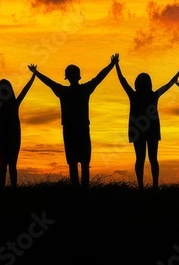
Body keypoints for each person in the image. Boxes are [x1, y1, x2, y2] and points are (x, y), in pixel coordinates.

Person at [29, 55, 118, 188]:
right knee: (84, 163)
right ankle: (83, 190)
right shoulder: (84, 89)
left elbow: (49, 82)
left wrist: (36, 73)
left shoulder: (63, 91)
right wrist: (112, 65)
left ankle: (76, 189)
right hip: (81, 129)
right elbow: (99, 78)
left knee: (72, 163)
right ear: (79, 76)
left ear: (67, 77)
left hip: (70, 131)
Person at [115, 57, 179, 188]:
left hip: (138, 130)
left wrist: (116, 65)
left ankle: (141, 186)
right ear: (149, 83)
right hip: (151, 130)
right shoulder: (153, 95)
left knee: (140, 159)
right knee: (152, 158)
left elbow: (122, 81)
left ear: (137, 84)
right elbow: (169, 84)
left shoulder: (134, 95)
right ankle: (154, 185)